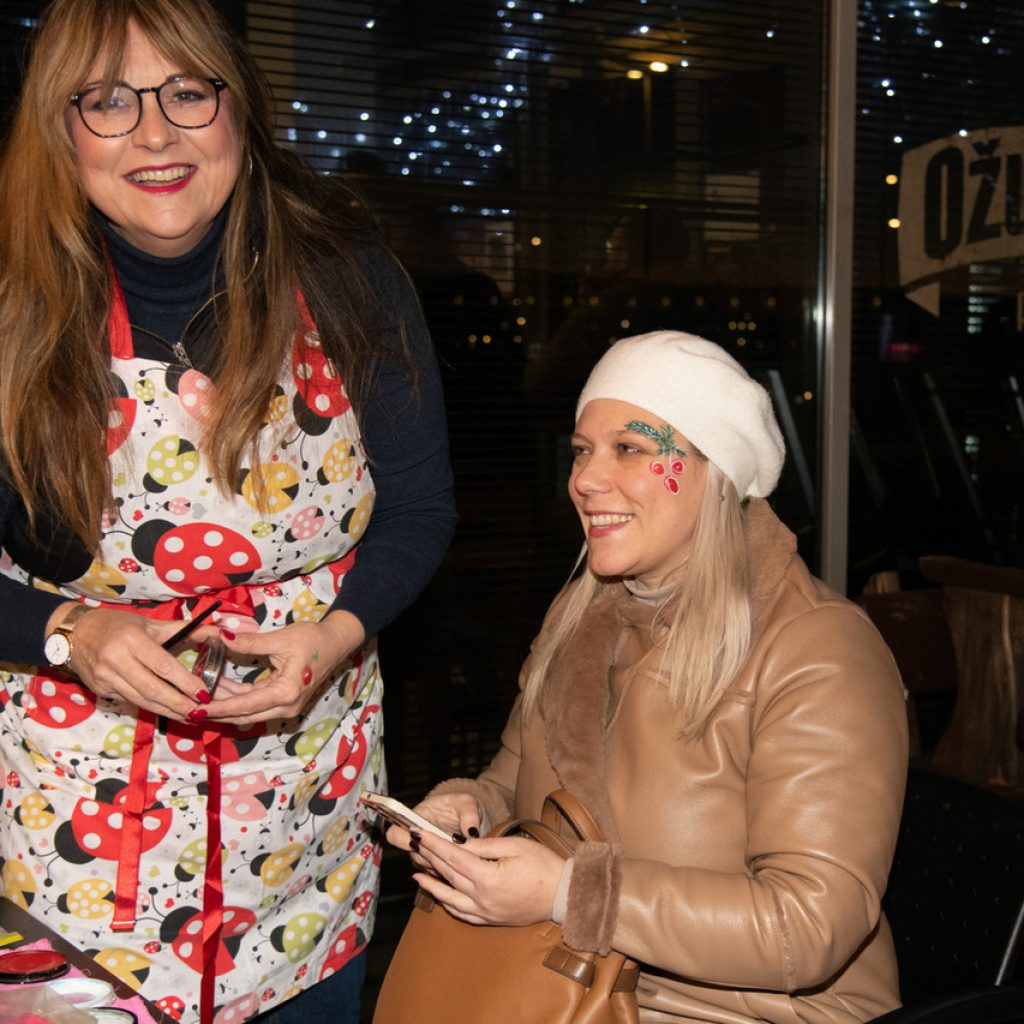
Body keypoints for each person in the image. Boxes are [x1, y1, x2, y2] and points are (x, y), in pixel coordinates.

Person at [0, 1, 456, 1022]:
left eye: (186, 93)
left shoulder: (347, 279)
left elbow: (421, 507)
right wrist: (70, 629)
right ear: (61, 128)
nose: (154, 133)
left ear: (236, 108)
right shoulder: (12, 302)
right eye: (108, 101)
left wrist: (334, 634)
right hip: (75, 849)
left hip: (303, 835)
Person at [388, 331, 909, 1023]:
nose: (585, 479)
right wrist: (465, 812)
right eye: (582, 450)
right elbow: (512, 783)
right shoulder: (579, 620)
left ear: (715, 470)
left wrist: (568, 893)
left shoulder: (819, 649)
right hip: (572, 984)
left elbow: (807, 928)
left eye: (629, 449)